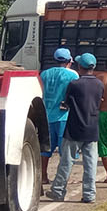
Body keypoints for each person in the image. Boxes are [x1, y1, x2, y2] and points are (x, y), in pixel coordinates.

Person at [46, 53, 102, 204]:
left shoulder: (75, 84)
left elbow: (67, 103)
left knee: (66, 161)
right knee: (90, 164)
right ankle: (89, 195)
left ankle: (58, 191)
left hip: (74, 128)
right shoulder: (99, 84)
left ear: (80, 67)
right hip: (92, 128)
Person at [38, 48, 79, 184]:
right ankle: (62, 178)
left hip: (47, 115)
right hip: (64, 116)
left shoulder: (45, 74)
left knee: (46, 148)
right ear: (69, 61)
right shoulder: (73, 75)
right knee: (65, 150)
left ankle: (43, 176)